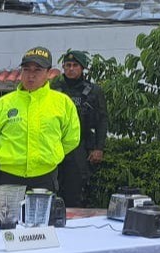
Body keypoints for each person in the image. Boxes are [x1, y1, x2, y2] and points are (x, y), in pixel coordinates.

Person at [0, 46, 80, 218]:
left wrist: (51, 155)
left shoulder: (62, 103)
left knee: (40, 229)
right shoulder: (4, 104)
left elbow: (71, 138)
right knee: (3, 229)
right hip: (7, 178)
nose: (31, 75)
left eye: (37, 70)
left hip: (44, 178)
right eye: (26, 69)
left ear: (48, 73)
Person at [53, 49, 108, 207]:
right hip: (55, 143)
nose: (71, 69)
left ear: (82, 68)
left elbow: (102, 120)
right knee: (52, 189)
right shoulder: (54, 89)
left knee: (75, 191)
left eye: (75, 65)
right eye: (67, 65)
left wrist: (99, 148)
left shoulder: (93, 91)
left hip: (80, 145)